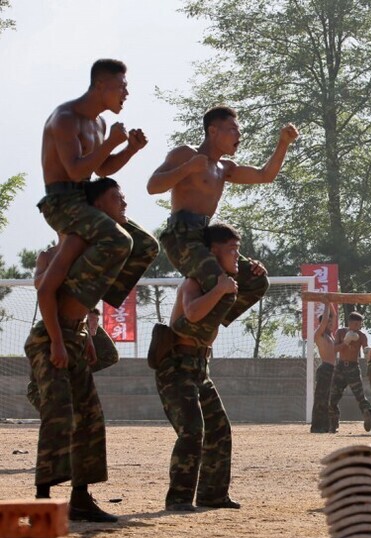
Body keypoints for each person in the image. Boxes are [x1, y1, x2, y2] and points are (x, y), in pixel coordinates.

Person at [26, 179, 135, 522]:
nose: (124, 203)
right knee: (58, 413)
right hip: (51, 337)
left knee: (89, 418)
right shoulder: (61, 249)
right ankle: (43, 500)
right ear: (96, 207)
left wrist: (84, 333)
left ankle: (80, 499)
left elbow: (81, 299)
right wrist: (58, 340)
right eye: (117, 198)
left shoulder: (99, 248)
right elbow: (46, 294)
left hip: (74, 335)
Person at [148, 106, 298, 339]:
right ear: (213, 131)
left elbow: (264, 175)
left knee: (256, 280)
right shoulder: (186, 154)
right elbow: (153, 186)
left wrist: (283, 143)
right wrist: (188, 168)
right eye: (233, 130)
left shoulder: (224, 168)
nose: (239, 137)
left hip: (207, 236)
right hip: (182, 236)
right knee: (223, 286)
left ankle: (196, 325)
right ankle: (179, 334)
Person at [39, 60, 158, 312]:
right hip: (61, 204)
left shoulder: (100, 123)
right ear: (101, 85)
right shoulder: (65, 119)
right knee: (119, 239)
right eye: (122, 87)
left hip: (86, 201)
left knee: (146, 245)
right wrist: (111, 143)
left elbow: (102, 168)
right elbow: (75, 170)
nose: (126, 94)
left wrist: (130, 149)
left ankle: (89, 300)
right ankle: (69, 298)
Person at [155, 224, 243, 511]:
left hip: (200, 367)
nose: (237, 256)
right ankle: (178, 498)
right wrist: (219, 289)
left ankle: (212, 495)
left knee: (220, 429)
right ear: (213, 253)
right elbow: (192, 313)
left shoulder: (223, 283)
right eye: (231, 250)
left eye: (238, 249)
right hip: (177, 365)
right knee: (192, 429)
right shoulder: (194, 280)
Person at [327, 312, 371, 432]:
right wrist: (345, 342)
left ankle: (367, 415)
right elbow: (334, 349)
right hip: (341, 367)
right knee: (333, 397)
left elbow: (365, 349)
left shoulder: (362, 336)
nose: (358, 326)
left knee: (360, 396)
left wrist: (368, 351)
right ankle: (333, 424)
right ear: (350, 323)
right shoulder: (341, 332)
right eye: (356, 324)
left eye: (360, 324)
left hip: (353, 367)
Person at [310, 312, 337, 433]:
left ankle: (327, 426)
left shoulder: (330, 336)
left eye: (331, 323)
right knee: (321, 398)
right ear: (322, 323)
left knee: (329, 398)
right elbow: (325, 320)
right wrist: (326, 304)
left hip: (332, 369)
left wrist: (331, 302)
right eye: (328, 322)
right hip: (325, 368)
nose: (331, 324)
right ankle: (317, 426)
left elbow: (334, 316)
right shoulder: (319, 335)